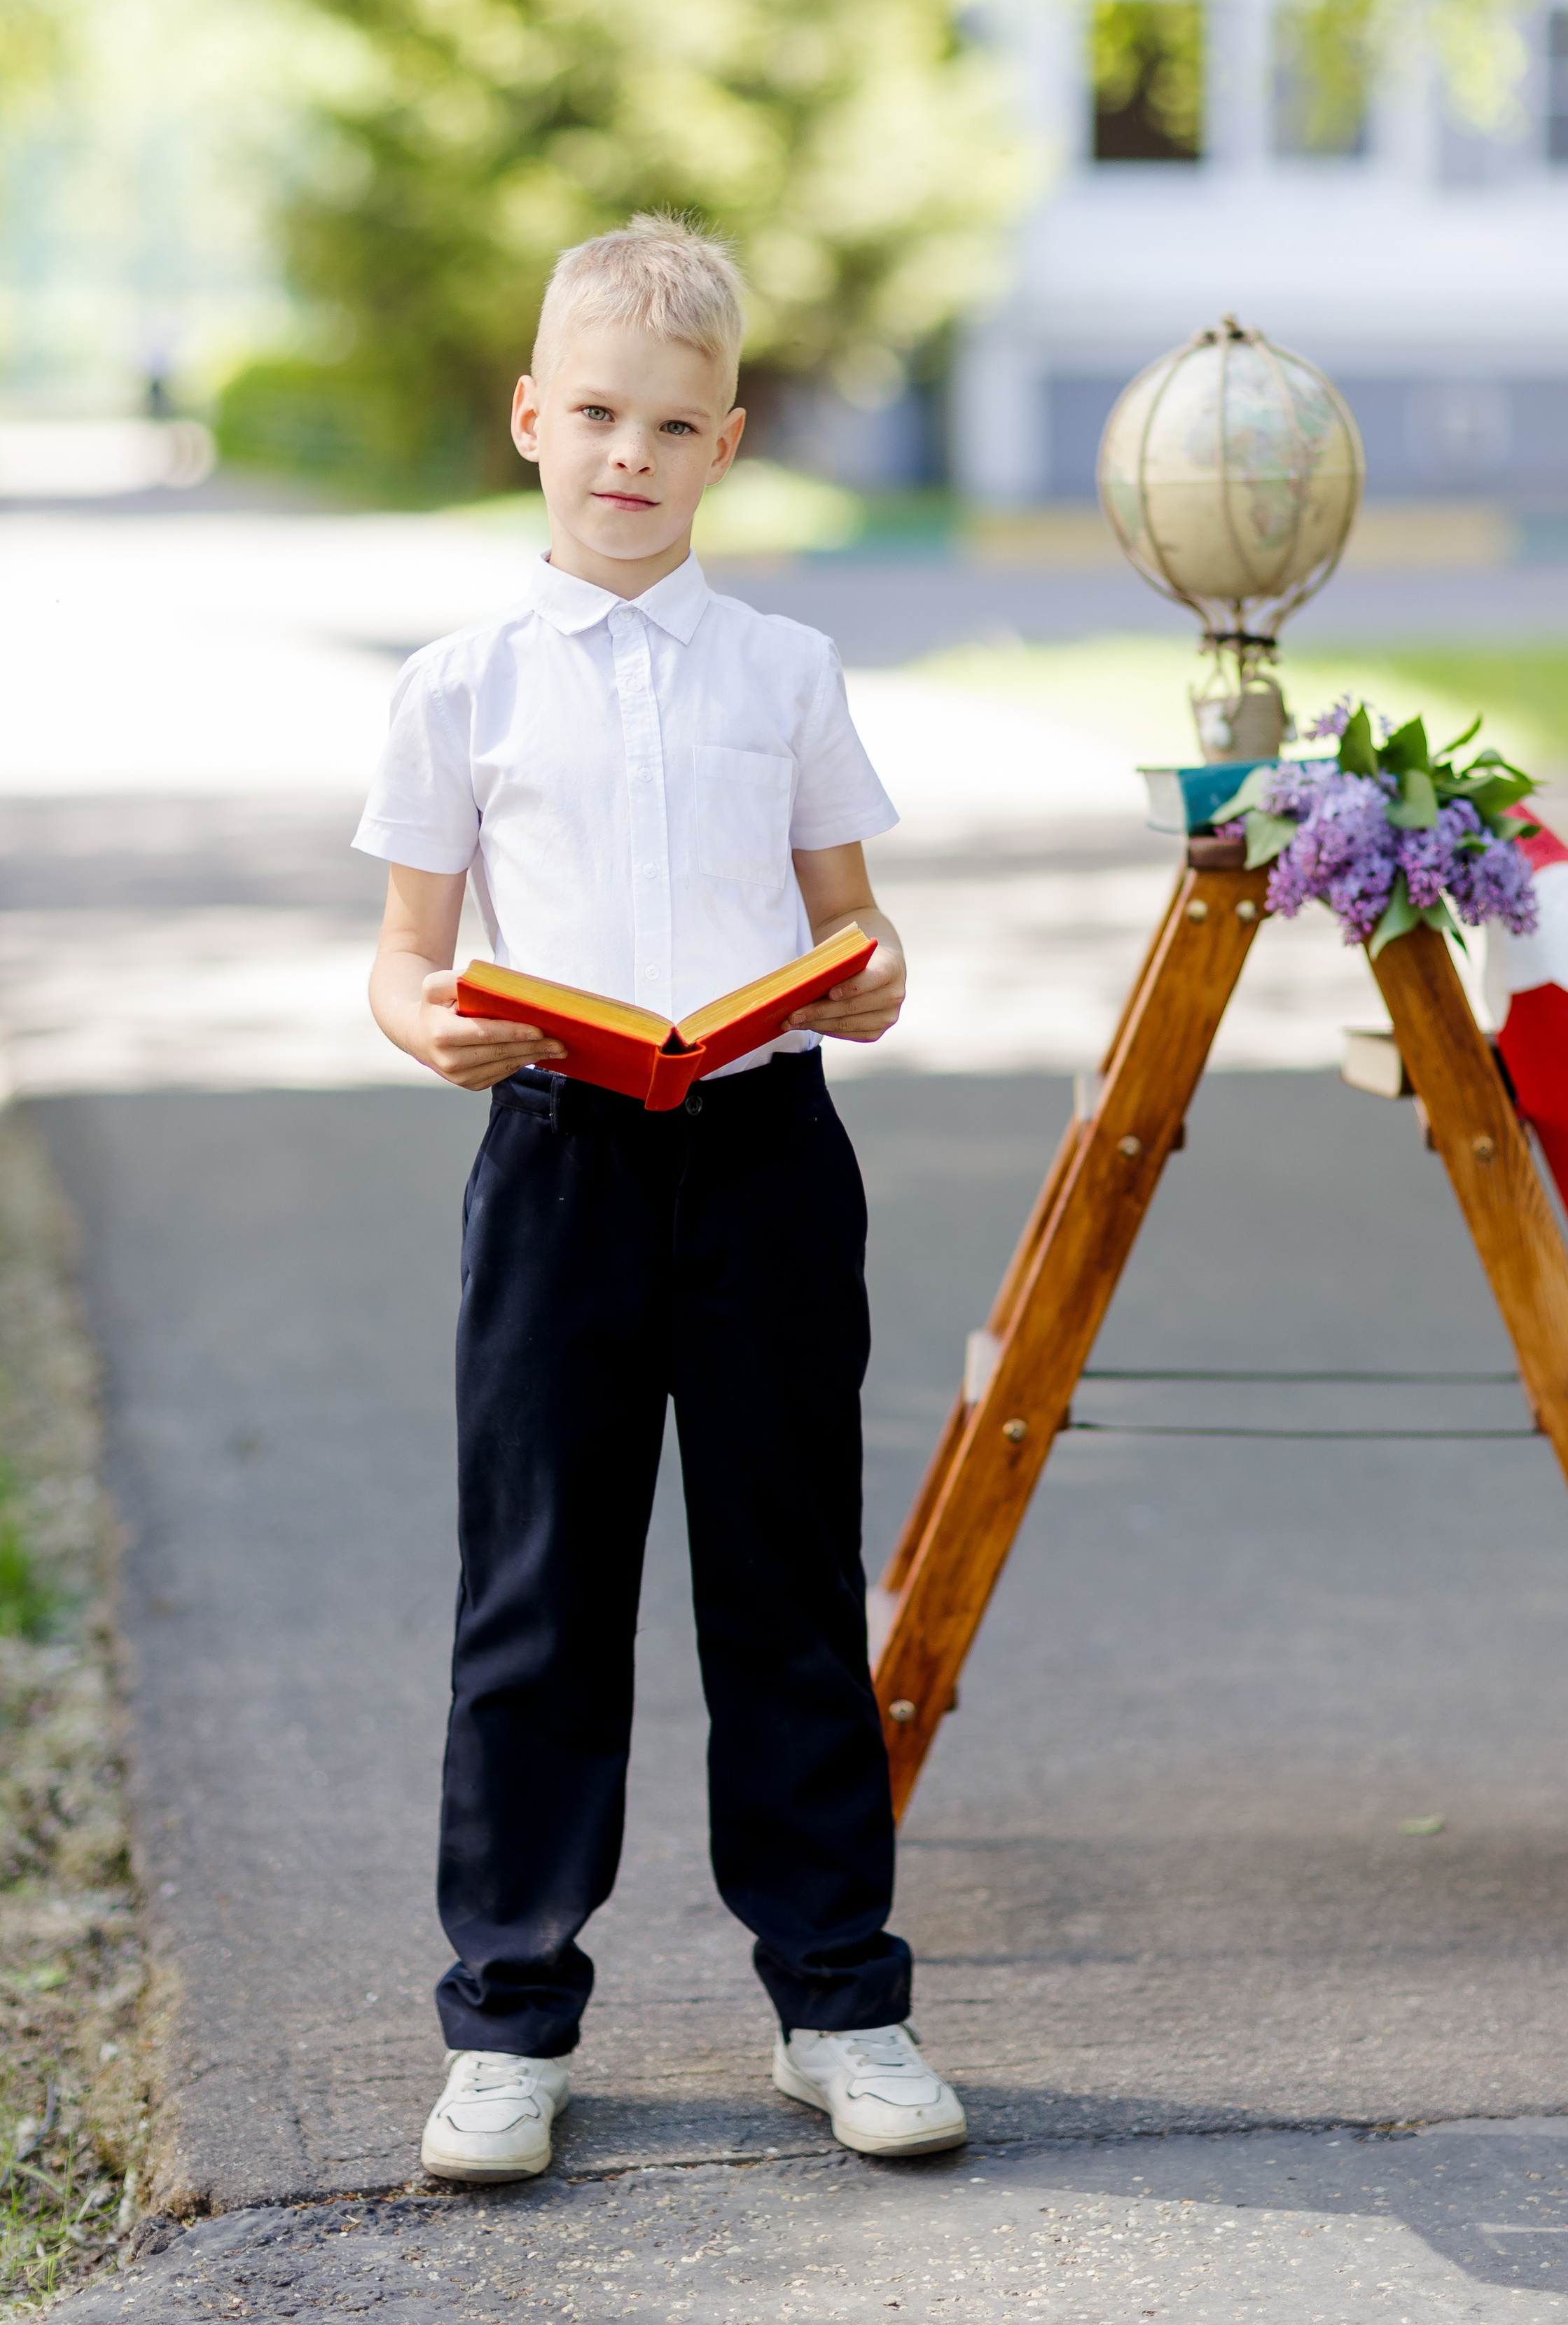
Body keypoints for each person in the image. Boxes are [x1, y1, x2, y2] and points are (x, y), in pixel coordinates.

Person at [355, 214, 966, 2181]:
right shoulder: (460, 686)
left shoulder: (784, 670)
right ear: (534, 417)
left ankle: (841, 2005)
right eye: (598, 412)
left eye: (674, 424)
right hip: (558, 1159)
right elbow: (402, 954)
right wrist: (424, 1026)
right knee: (537, 1596)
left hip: (770, 1157)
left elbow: (857, 933)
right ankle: (510, 2022)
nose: (631, 452)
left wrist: (868, 981)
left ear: (728, 447)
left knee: (788, 1587)